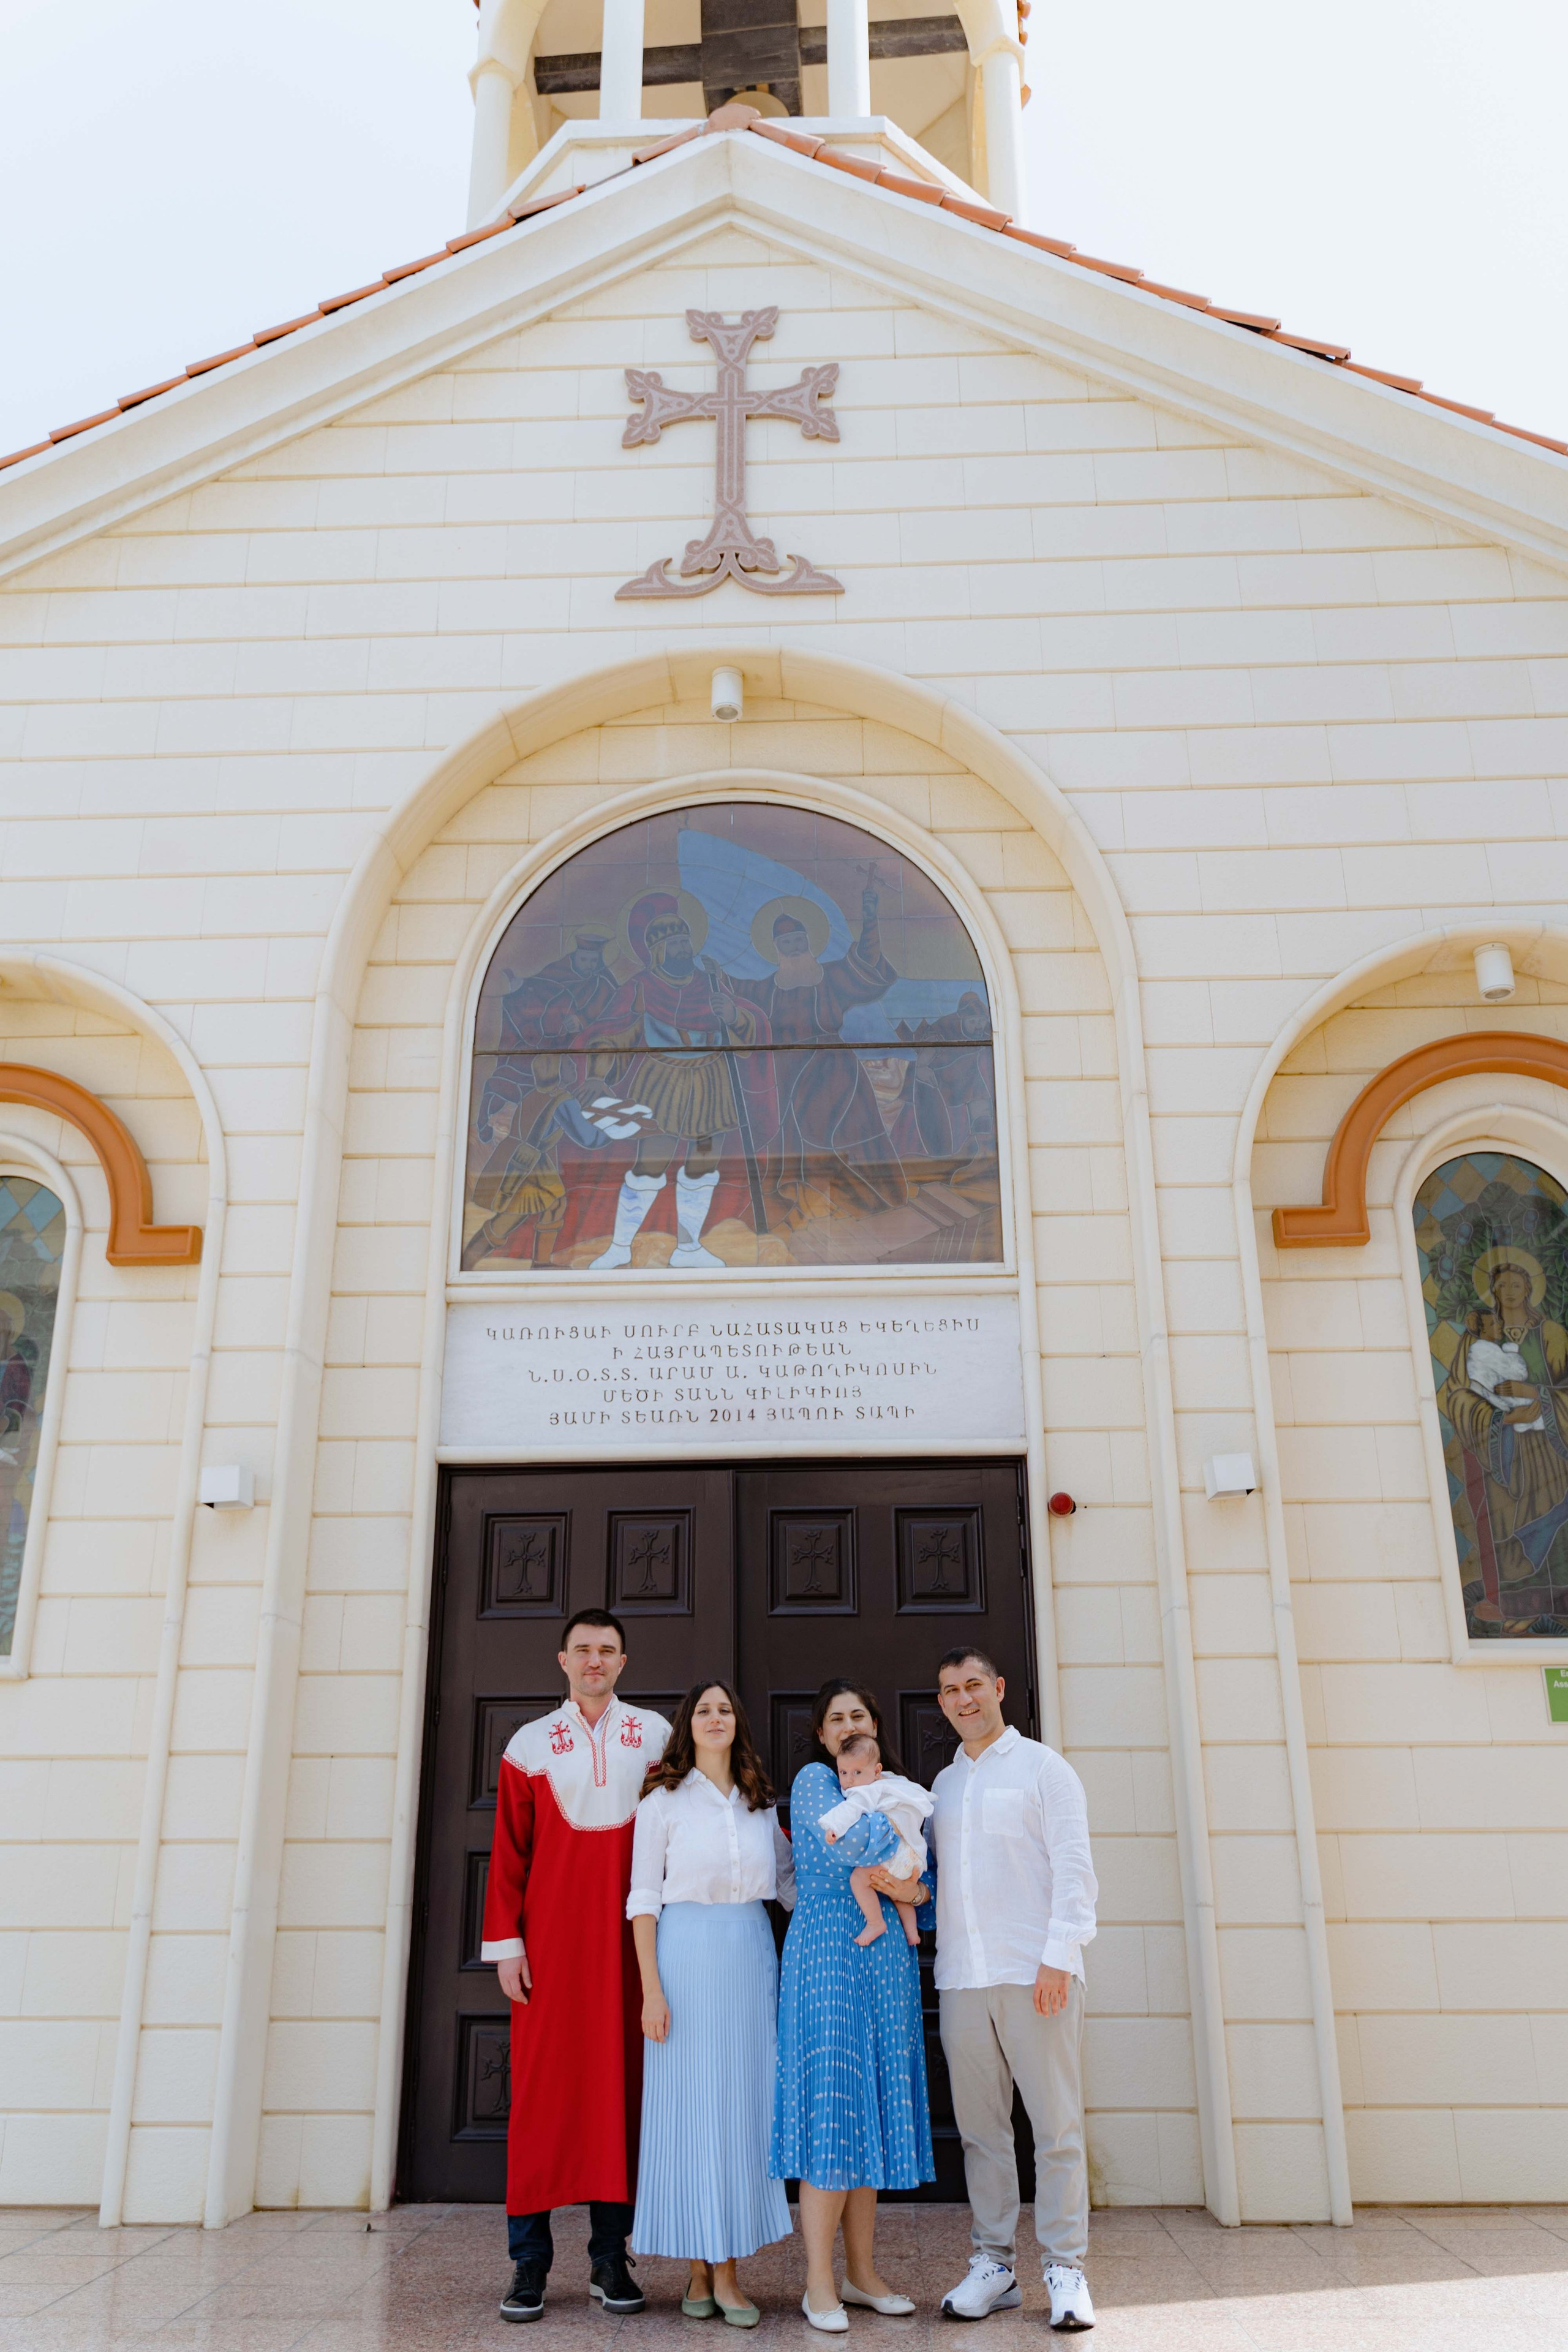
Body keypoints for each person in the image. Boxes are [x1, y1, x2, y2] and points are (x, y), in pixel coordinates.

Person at [480, 1608, 671, 2323]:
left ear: (623, 1662)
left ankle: (607, 2256)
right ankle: (528, 2264)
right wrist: (508, 1944)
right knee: (542, 2099)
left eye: (608, 1651)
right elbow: (508, 1855)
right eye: (584, 1650)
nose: (595, 1661)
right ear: (563, 1660)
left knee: (617, 2095)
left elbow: (679, 1832)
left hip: (630, 1945)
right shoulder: (531, 1744)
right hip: (551, 1950)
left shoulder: (654, 1735)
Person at [925, 1649, 1098, 2333]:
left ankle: (1066, 2269)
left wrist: (1059, 1956)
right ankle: (993, 2266)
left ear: (997, 1689)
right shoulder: (940, 1785)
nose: (963, 1699)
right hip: (964, 1977)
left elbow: (1075, 1867)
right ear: (941, 1703)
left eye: (973, 1686)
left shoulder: (1044, 1769)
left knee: (1055, 2129)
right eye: (950, 1691)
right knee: (982, 2133)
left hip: (1037, 1975)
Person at [627, 1681, 796, 2324]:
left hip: (750, 1955)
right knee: (692, 2107)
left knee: (740, 2107)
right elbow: (643, 1899)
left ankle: (711, 2268)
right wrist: (651, 1990)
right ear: (687, 1725)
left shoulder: (761, 1802)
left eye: (726, 1709)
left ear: (737, 1723)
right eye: (704, 1710)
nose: (716, 1717)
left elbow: (786, 1889)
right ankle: (715, 2270)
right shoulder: (662, 1802)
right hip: (685, 1955)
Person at [771, 1679, 933, 2332]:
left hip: (885, 1957)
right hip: (825, 1954)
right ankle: (818, 2283)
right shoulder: (816, 1779)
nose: (845, 1725)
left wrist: (910, 1883)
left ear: (872, 1726)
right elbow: (844, 1846)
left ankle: (862, 2275)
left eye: (857, 1715)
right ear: (820, 1734)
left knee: (865, 2113)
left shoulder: (890, 1783)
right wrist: (895, 1851)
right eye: (834, 1718)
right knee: (833, 2106)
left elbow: (922, 1880)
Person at [820, 1730, 933, 1947]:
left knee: (859, 1880)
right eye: (843, 1772)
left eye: (857, 1772)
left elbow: (851, 1810)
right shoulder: (893, 1783)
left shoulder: (865, 1791)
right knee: (899, 1894)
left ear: (877, 1770)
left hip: (894, 1855)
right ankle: (912, 1933)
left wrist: (834, 1827)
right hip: (913, 1858)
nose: (849, 1780)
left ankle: (875, 1922)